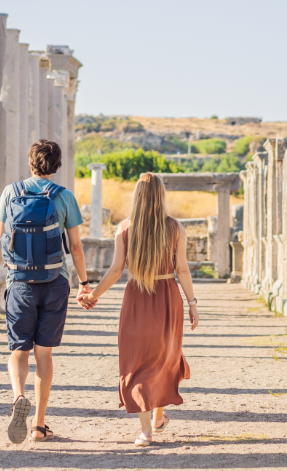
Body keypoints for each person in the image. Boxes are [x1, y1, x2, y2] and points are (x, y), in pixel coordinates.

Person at [0, 139, 91, 444]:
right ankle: (40, 426)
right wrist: (84, 283)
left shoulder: (10, 193)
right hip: (54, 282)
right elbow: (77, 247)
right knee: (44, 353)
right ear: (56, 166)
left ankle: (18, 398)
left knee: (18, 350)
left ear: (30, 162)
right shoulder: (64, 197)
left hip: (18, 283)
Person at [78, 172, 199, 446]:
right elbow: (182, 269)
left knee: (137, 361)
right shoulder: (176, 228)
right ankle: (157, 416)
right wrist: (192, 303)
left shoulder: (124, 228)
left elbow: (116, 270)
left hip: (137, 298)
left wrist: (91, 295)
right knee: (165, 357)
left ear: (138, 196)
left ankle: (147, 430)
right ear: (161, 195)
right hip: (168, 297)